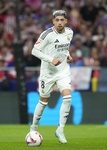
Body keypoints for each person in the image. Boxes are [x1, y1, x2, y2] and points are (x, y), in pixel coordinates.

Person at [30, 10, 73, 144]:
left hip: (62, 71)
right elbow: (34, 50)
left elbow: (64, 48)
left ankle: (60, 130)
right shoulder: (47, 34)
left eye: (62, 20)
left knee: (67, 98)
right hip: (47, 73)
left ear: (65, 21)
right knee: (43, 102)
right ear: (53, 21)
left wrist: (67, 55)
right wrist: (50, 59)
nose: (60, 22)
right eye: (57, 20)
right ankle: (33, 128)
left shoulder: (70, 33)